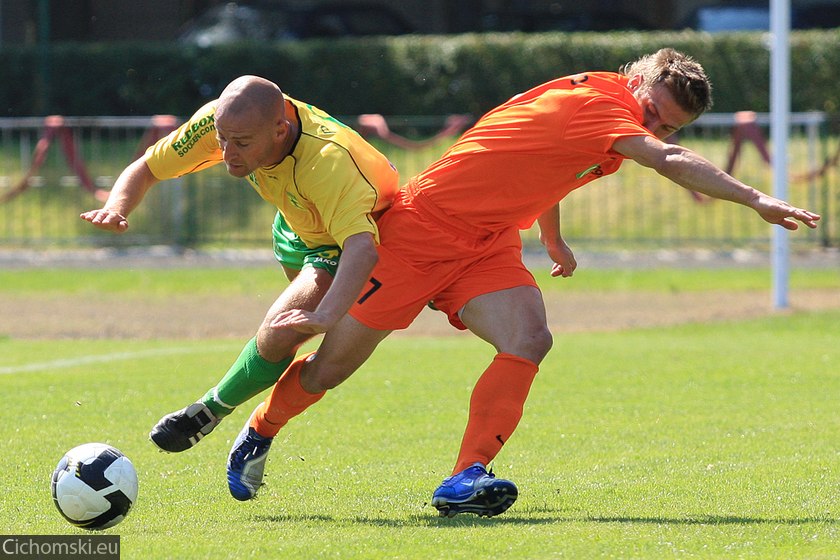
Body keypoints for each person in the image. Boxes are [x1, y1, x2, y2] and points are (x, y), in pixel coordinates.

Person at [229, 49, 821, 514]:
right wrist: (753, 197)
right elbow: (667, 162)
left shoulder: (605, 114)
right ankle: (261, 430)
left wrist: (551, 236)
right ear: (636, 84)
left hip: (486, 244)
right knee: (333, 367)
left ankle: (464, 477)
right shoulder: (600, 104)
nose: (655, 130)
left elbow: (549, 164)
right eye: (653, 115)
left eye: (668, 126)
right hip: (420, 232)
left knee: (529, 339)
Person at [80, 76, 400, 461]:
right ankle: (250, 415)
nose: (228, 152)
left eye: (242, 144)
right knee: (285, 339)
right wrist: (117, 207)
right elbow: (147, 167)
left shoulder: (329, 162)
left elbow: (361, 248)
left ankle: (215, 412)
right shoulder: (223, 122)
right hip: (296, 224)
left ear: (280, 130)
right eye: (223, 140)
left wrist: (326, 314)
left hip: (367, 235)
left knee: (295, 343)